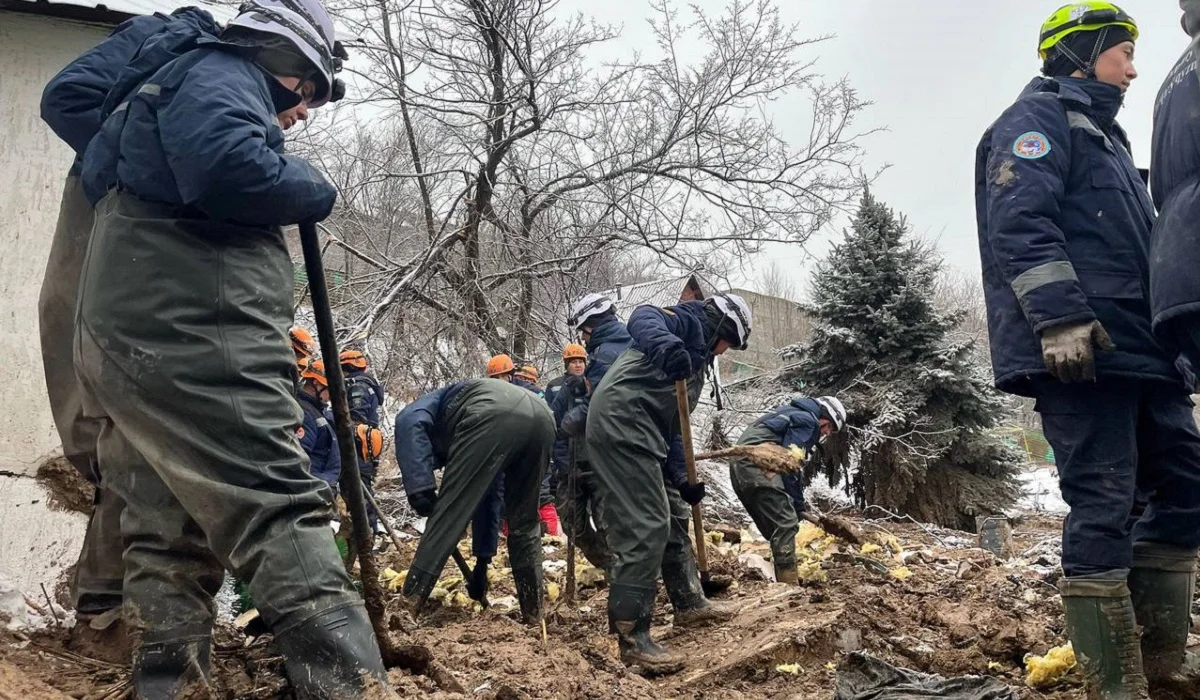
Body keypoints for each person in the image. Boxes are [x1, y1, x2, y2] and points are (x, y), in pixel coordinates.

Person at [72, 0, 393, 696]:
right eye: (309, 91)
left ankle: (169, 682)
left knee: (164, 514)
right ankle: (347, 687)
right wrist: (315, 186)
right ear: (285, 61)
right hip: (192, 324)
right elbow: (227, 169)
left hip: (137, 325)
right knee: (270, 495)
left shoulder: (172, 85)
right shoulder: (223, 72)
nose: (305, 111)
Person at [975, 4, 1200, 697]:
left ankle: (1161, 666)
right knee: (1103, 501)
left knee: (1187, 490)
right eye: (1122, 53)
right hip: (1084, 353)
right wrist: (1060, 318)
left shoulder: (1110, 142)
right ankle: (1114, 684)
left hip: (1143, 353)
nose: (1133, 69)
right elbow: (1020, 219)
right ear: (1082, 53)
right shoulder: (1038, 121)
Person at [37, 6, 220, 660]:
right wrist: (134, 173)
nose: (302, 110)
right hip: (108, 228)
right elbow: (66, 98)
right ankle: (104, 614)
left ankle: (104, 607)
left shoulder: (223, 89)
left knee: (135, 433)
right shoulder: (180, 37)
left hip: (143, 254)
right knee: (111, 424)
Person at [586, 293, 752, 674]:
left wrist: (681, 475)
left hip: (648, 431)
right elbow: (642, 318)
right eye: (729, 341)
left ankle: (690, 603)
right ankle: (633, 639)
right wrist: (669, 348)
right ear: (721, 327)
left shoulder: (699, 360)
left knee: (674, 516)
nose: (726, 352)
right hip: (622, 423)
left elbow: (674, 423)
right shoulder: (689, 321)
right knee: (646, 526)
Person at [393, 378, 555, 622]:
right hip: (543, 417)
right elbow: (487, 500)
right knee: (525, 521)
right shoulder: (470, 411)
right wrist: (482, 563)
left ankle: (407, 606)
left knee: (448, 515)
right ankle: (534, 614)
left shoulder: (434, 404)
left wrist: (420, 487)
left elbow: (406, 420)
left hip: (490, 413)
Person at [729, 396, 845, 584]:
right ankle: (789, 587)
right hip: (757, 464)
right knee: (786, 523)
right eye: (828, 426)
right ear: (824, 414)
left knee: (775, 528)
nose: (826, 432)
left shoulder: (790, 413)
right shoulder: (808, 421)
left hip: (738, 464)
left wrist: (795, 504)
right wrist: (798, 505)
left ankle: (781, 577)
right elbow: (790, 464)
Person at [340, 350, 386, 533]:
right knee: (360, 488)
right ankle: (367, 532)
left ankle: (368, 534)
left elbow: (356, 418)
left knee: (359, 490)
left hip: (358, 444)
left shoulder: (356, 387)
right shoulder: (367, 384)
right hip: (366, 442)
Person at [297, 358, 341, 493]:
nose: (330, 397)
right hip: (312, 490)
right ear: (316, 384)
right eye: (329, 390)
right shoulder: (305, 413)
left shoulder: (316, 411)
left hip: (321, 487)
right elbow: (298, 459)